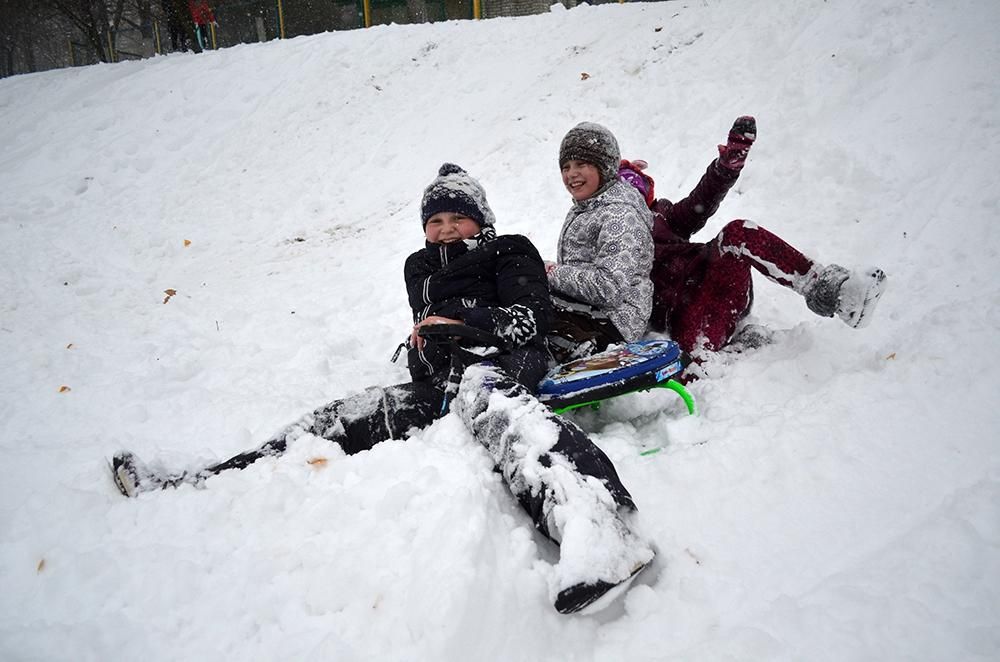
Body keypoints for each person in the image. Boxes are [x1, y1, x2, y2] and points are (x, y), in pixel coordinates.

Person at [110, 163, 653, 614]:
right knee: (337, 419)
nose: (443, 228)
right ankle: (196, 479)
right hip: (448, 382)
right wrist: (426, 349)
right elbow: (432, 340)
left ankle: (601, 528)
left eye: (456, 218)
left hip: (508, 362)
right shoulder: (419, 267)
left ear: (479, 221)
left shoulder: (509, 249)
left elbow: (525, 320)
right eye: (434, 220)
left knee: (490, 396)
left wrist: (459, 324)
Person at [618, 116, 887, 358]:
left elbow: (703, 199)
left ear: (648, 197)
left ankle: (833, 292)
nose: (629, 198)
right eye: (620, 193)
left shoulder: (665, 217)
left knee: (738, 232)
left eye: (636, 189)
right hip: (688, 320)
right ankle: (734, 347)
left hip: (716, 286)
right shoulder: (607, 240)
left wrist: (727, 167)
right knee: (688, 354)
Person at [545, 122, 654, 363]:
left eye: (581, 164)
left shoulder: (620, 215)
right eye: (566, 166)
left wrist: (552, 273)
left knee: (532, 306)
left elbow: (610, 288)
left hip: (613, 324)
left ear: (604, 167)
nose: (571, 174)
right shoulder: (588, 208)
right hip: (587, 313)